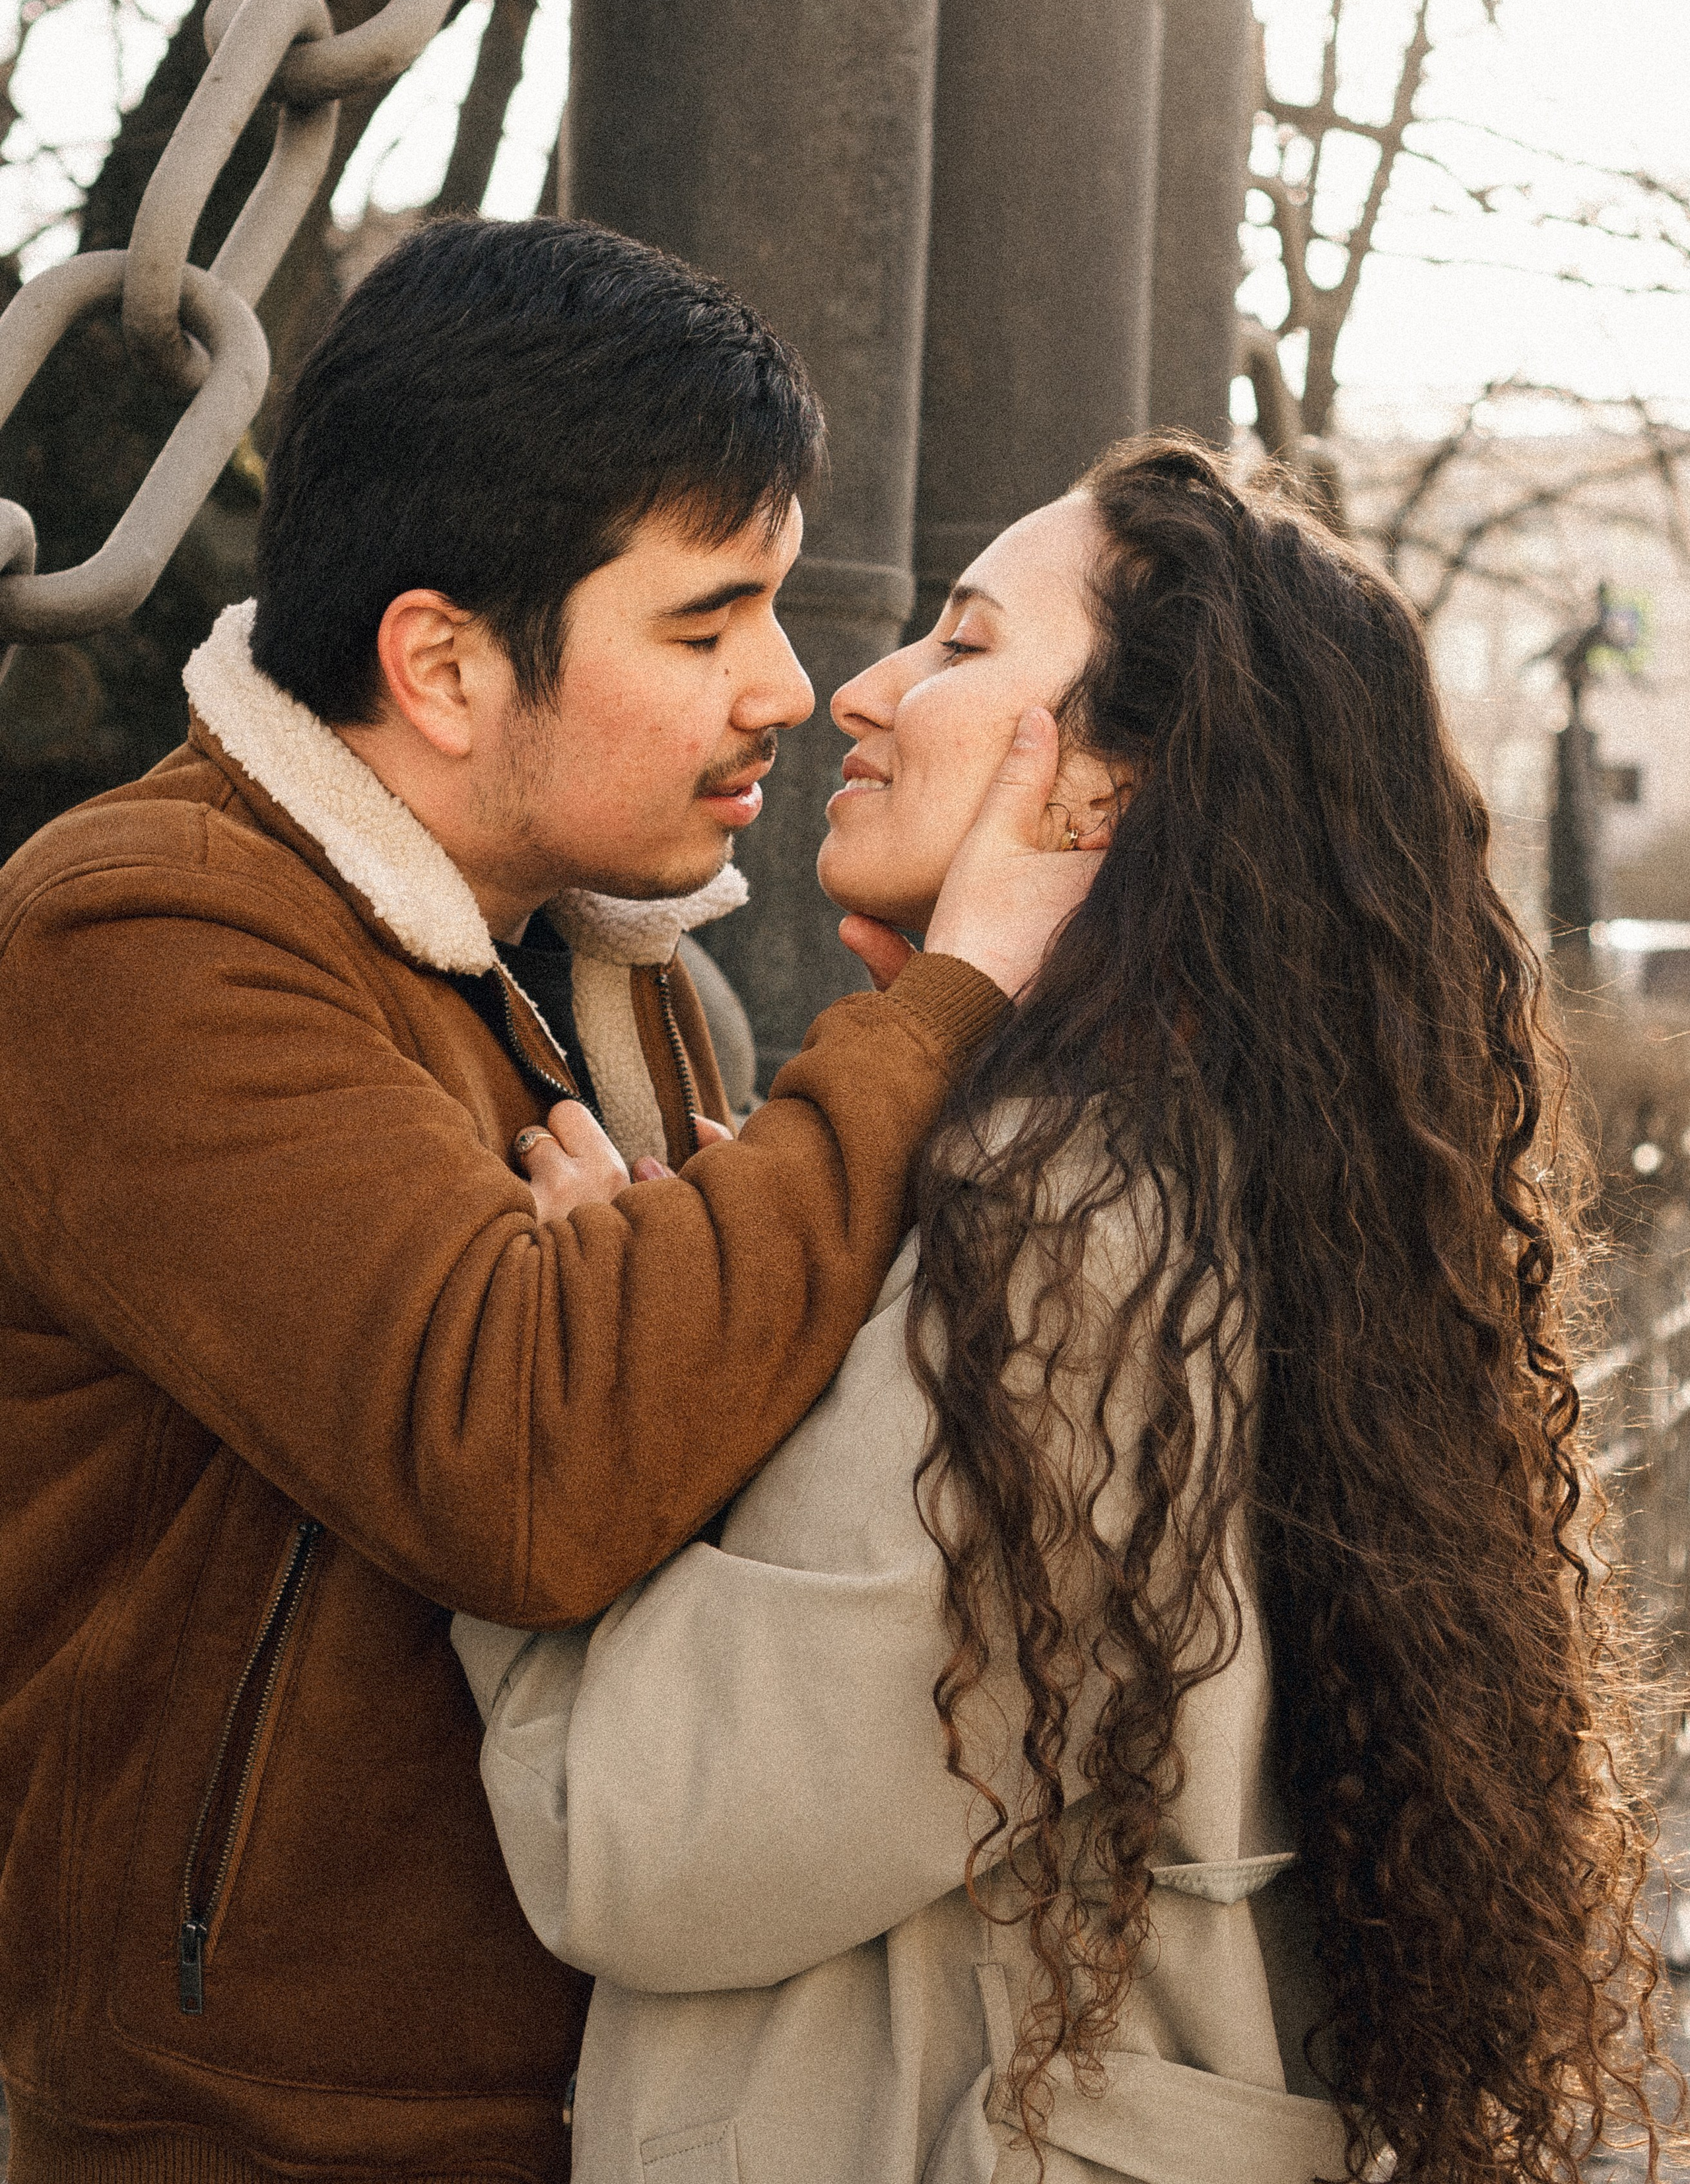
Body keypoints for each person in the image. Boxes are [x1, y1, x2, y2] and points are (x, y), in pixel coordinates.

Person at [0, 217, 1096, 2184]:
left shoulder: (633, 984)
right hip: (258, 2138)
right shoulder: (141, 932)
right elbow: (527, 1461)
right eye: (703, 623)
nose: (785, 685)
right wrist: (957, 1000)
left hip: (615, 2099)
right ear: (437, 662)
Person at [457, 435, 1667, 2184]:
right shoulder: (1217, 1168)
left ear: (1103, 787)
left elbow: (645, 1843)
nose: (857, 688)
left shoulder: (1066, 1228)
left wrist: (582, 1369)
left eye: (958, 645)